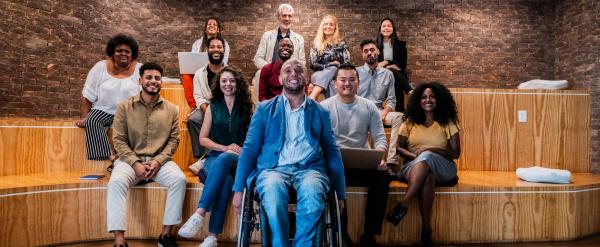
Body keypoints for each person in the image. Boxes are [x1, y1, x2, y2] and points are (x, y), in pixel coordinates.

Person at [231, 59, 346, 247]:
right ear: (280, 78)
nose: (293, 74)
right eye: (288, 71)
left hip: (310, 169)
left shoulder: (320, 112)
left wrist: (340, 193)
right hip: (273, 169)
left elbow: (332, 153)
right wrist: (238, 190)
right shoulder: (264, 109)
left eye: (299, 70)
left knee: (312, 193)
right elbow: (250, 150)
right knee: (272, 193)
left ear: (307, 77)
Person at [107, 62, 186, 247]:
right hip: (129, 161)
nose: (153, 81)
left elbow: (174, 140)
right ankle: (119, 240)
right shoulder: (124, 107)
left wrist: (158, 162)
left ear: (161, 82)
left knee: (179, 180)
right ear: (140, 80)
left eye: (157, 78)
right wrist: (135, 163)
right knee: (116, 182)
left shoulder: (172, 109)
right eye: (149, 77)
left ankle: (165, 235)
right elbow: (118, 140)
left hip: (160, 162)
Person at [178, 67, 254, 247]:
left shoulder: (249, 107)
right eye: (224, 81)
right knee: (226, 180)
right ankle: (212, 236)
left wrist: (241, 149)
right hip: (216, 155)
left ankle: (200, 213)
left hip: (240, 157)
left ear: (238, 83)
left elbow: (254, 138)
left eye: (232, 80)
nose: (228, 84)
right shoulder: (213, 107)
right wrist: (225, 147)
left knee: (227, 159)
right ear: (219, 85)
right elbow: (203, 139)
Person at [321, 63, 390, 247]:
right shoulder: (324, 107)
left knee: (383, 175)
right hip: (337, 165)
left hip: (362, 163)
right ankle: (342, 236)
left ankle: (369, 234)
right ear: (335, 83)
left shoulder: (369, 107)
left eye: (352, 80)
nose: (347, 84)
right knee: (332, 176)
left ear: (358, 83)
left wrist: (380, 156)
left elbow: (381, 138)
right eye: (342, 80)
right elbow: (318, 140)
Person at [386, 82, 460, 247]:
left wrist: (430, 150)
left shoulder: (447, 122)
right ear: (418, 100)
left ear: (439, 99)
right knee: (428, 177)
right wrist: (416, 156)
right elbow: (398, 148)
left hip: (444, 167)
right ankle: (426, 230)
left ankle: (404, 204)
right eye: (424, 97)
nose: (428, 100)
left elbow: (455, 153)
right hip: (413, 165)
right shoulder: (410, 121)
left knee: (427, 156)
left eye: (432, 96)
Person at [76, 34, 142, 166]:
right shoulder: (100, 67)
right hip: (103, 109)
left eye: (127, 51)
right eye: (119, 51)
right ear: (112, 52)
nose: (123, 54)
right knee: (92, 121)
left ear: (132, 54)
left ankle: (132, 161)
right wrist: (85, 116)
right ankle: (112, 158)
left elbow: (145, 93)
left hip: (130, 112)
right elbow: (88, 94)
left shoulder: (140, 69)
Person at [356, 39, 404, 171]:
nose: (370, 53)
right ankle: (370, 163)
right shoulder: (356, 73)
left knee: (399, 117)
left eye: (372, 50)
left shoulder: (388, 74)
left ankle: (391, 163)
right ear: (362, 55)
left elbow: (391, 99)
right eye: (366, 51)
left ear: (378, 51)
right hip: (360, 111)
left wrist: (385, 111)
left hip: (379, 111)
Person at [187, 37, 227, 173]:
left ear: (224, 50)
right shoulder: (199, 73)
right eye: (213, 47)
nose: (216, 49)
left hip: (225, 108)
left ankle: (207, 158)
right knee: (193, 119)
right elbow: (197, 96)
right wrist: (208, 111)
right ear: (207, 50)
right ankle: (202, 156)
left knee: (220, 121)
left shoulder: (229, 72)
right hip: (206, 107)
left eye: (219, 47)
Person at [253, 3, 306, 97]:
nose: (287, 19)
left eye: (289, 16)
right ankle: (260, 108)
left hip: (291, 72)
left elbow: (302, 62)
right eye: (284, 15)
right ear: (278, 17)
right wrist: (271, 69)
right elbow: (258, 59)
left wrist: (289, 69)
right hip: (270, 72)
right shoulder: (267, 36)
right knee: (259, 73)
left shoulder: (299, 38)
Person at [182, 18, 231, 111]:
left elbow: (223, 61)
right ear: (205, 29)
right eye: (209, 24)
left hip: (217, 70)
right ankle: (193, 106)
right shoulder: (197, 43)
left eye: (214, 24)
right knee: (185, 76)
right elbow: (191, 58)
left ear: (218, 30)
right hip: (199, 71)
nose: (212, 25)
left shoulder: (224, 44)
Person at [308, 15, 351, 100]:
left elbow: (347, 63)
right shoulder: (316, 44)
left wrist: (335, 67)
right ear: (322, 26)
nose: (328, 26)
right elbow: (313, 64)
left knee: (332, 81)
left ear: (335, 27)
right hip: (318, 75)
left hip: (337, 74)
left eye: (331, 24)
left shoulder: (342, 44)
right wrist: (329, 65)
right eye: (326, 24)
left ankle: (314, 97)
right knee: (333, 67)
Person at [376, 18, 413, 112]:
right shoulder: (375, 45)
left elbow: (402, 64)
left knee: (394, 76)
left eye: (389, 26)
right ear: (380, 29)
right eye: (384, 26)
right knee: (391, 71)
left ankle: (400, 112)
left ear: (393, 28)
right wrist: (388, 62)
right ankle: (409, 90)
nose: (386, 28)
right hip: (380, 75)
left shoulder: (400, 44)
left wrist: (386, 64)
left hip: (398, 75)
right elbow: (375, 65)